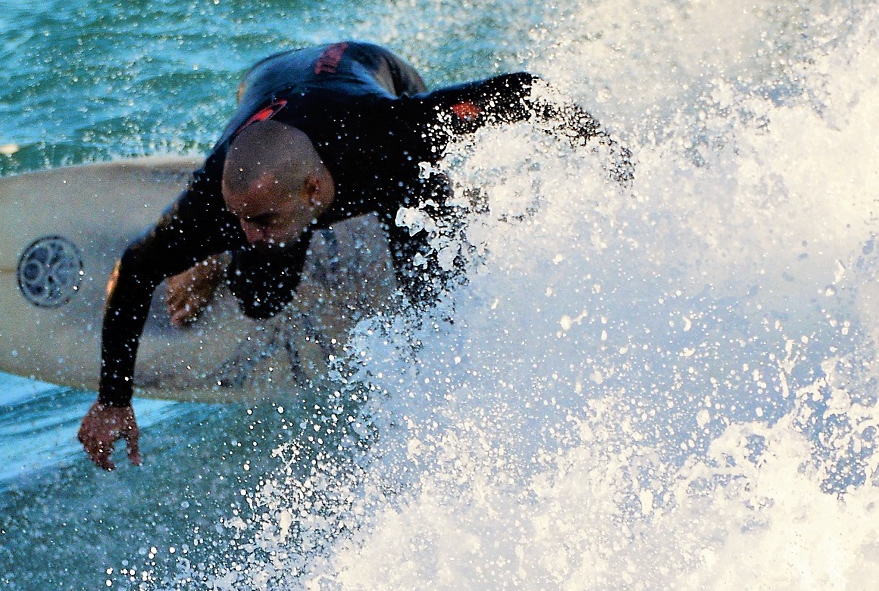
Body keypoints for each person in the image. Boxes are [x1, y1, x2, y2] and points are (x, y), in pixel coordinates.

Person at [77, 41, 630, 470]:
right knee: (259, 295)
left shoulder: (393, 135)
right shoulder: (216, 201)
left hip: (367, 72)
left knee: (433, 279)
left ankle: (453, 199)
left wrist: (611, 159)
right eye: (239, 220)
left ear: (316, 191)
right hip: (266, 84)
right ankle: (208, 260)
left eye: (260, 220)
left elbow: (522, 91)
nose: (246, 232)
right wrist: (112, 399)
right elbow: (135, 269)